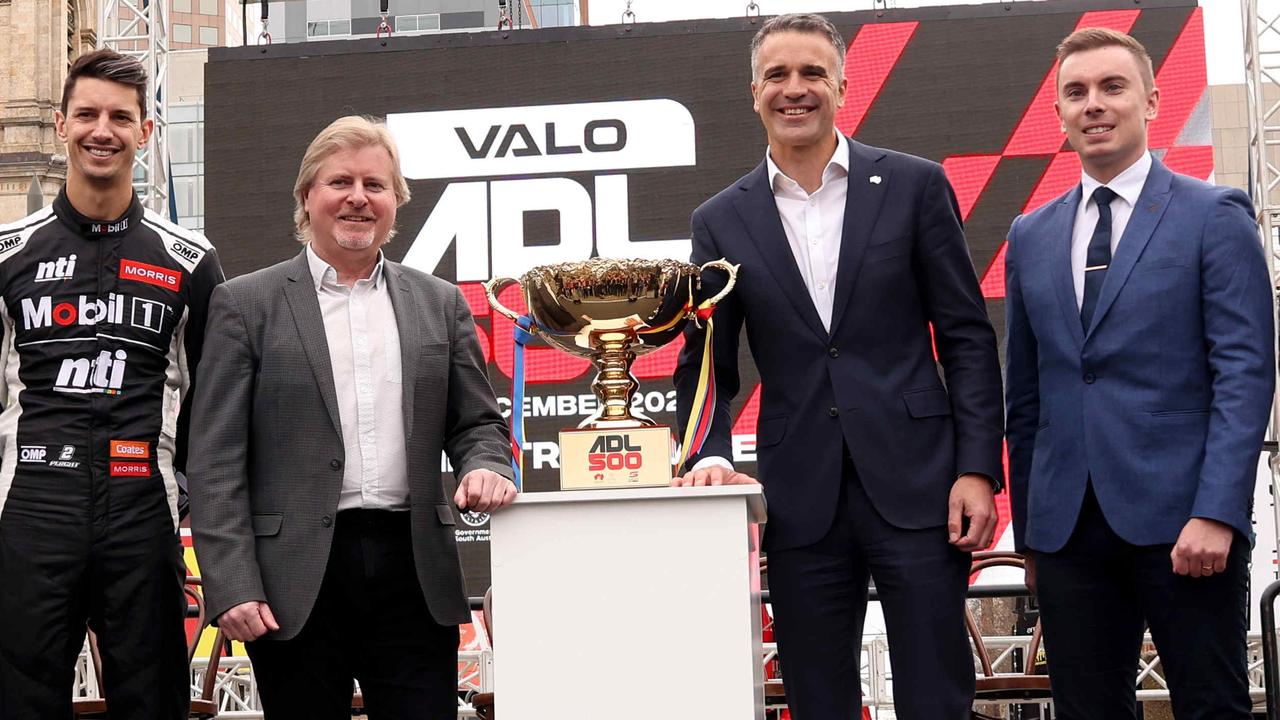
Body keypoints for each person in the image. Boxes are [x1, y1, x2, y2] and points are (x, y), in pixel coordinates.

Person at [671, 13, 1004, 719]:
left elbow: (967, 338)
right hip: (800, 500)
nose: (796, 89)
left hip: (921, 486)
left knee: (937, 696)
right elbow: (706, 363)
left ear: (843, 86)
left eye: (812, 73)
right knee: (818, 699)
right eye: (779, 76)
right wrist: (706, 454)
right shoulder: (719, 219)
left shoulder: (916, 186)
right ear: (753, 91)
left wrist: (977, 469)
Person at [187, 115, 515, 719]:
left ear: (395, 203)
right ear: (308, 195)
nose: (359, 198)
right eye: (341, 181)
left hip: (415, 573)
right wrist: (231, 583)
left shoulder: (441, 304)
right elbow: (214, 461)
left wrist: (487, 464)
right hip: (293, 585)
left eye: (376, 185)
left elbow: (477, 423)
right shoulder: (244, 305)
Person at [1004, 28, 1274, 720]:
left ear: (1152, 101)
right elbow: (1026, 396)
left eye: (1112, 87)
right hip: (1066, 531)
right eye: (1076, 92)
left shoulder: (1214, 216)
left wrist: (1218, 510)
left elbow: (1244, 374)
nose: (1094, 104)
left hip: (1186, 522)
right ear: (1060, 112)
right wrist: (1032, 533)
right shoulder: (1029, 235)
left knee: (1211, 705)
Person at [0, 49, 224, 717]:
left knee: (151, 701)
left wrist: (188, 504)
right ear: (62, 123)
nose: (104, 130)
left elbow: (211, 409)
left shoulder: (190, 260)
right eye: (89, 114)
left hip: (141, 511)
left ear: (146, 132)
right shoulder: (7, 253)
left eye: (121, 117)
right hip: (32, 509)